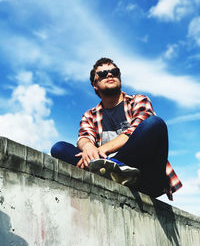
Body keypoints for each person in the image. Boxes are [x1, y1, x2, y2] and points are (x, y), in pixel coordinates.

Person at [51, 57, 182, 200]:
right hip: (106, 171)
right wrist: (88, 146)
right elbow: (83, 137)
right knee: (59, 148)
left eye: (114, 71)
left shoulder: (138, 101)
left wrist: (101, 150)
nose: (109, 74)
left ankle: (114, 168)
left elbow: (134, 130)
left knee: (155, 124)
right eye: (102, 74)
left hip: (144, 176)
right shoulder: (90, 115)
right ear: (95, 85)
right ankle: (112, 171)